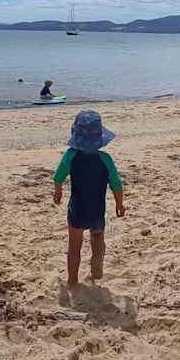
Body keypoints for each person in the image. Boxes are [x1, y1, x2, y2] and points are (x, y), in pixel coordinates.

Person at [52, 110, 125, 286]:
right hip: (97, 210)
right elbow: (116, 184)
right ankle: (96, 269)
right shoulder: (105, 159)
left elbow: (58, 176)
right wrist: (119, 204)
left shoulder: (70, 155)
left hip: (77, 210)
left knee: (74, 248)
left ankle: (72, 280)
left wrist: (58, 191)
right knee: (98, 239)